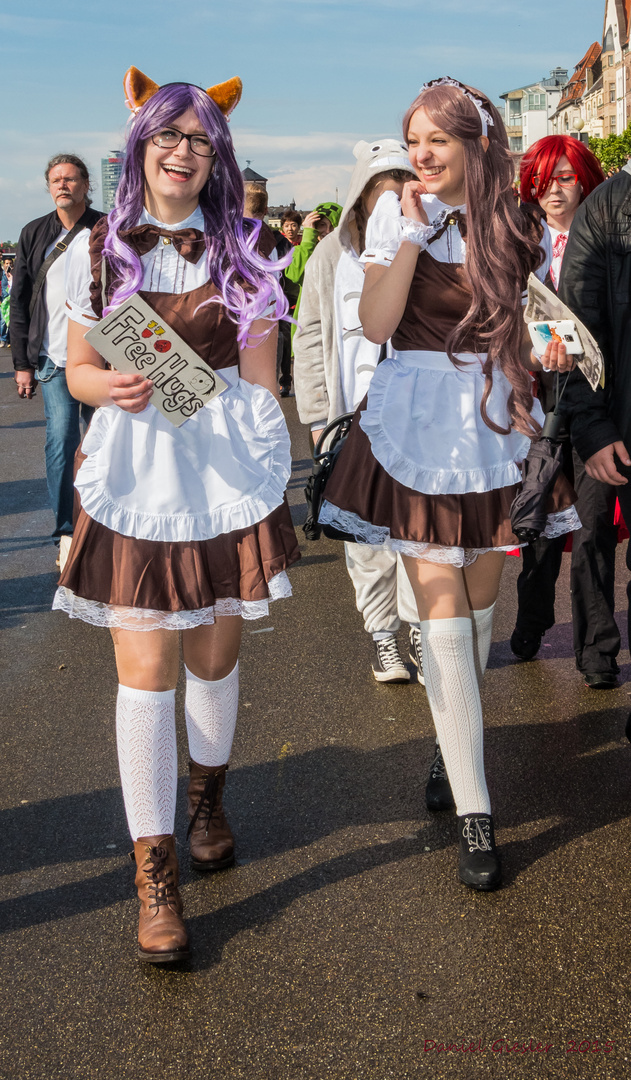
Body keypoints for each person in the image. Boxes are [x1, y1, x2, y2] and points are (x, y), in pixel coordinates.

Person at [53, 66, 300, 962]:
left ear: (217, 154)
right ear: (140, 141)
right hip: (136, 476)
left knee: (213, 654)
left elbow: (264, 384)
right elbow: (75, 368)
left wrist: (263, 470)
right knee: (143, 669)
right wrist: (102, 383)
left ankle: (207, 800)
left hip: (220, 470)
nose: (183, 152)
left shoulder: (248, 245)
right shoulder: (99, 249)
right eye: (169, 135)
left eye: (200, 139)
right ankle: (152, 875)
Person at [318, 78, 578, 891]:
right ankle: (477, 813)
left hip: (494, 421)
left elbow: (531, 323)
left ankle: (447, 737)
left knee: (474, 612)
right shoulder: (396, 214)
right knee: (438, 610)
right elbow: (377, 324)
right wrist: (409, 233)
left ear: (475, 145)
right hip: (416, 417)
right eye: (413, 140)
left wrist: (549, 348)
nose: (421, 155)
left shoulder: (516, 221)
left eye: (438, 140)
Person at [294, 139, 428, 685]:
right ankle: (383, 638)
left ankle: (421, 630)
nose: (392, 204)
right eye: (382, 194)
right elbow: (308, 337)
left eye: (401, 191)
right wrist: (318, 416)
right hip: (352, 417)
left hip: (416, 417)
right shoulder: (331, 256)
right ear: (361, 199)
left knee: (419, 533)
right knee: (365, 539)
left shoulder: (423, 247)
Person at [509, 137, 617, 688]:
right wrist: (530, 354)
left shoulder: (610, 244)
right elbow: (502, 330)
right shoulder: (519, 247)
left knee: (593, 528)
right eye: (545, 178)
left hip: (597, 410)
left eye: (566, 178)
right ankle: (530, 624)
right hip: (540, 411)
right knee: (542, 527)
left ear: (586, 181)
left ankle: (598, 652)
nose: (554, 189)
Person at [556, 149, 631, 721]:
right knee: (592, 536)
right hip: (617, 418)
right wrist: (593, 425)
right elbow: (580, 325)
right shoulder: (606, 208)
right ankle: (597, 649)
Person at [11, 155, 103, 562]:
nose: (62, 185)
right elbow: (19, 302)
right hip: (51, 359)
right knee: (60, 443)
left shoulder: (107, 228)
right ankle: (66, 533)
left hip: (103, 360)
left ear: (86, 184)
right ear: (49, 187)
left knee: (106, 445)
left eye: (70, 178)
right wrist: (22, 364)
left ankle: (105, 526)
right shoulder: (33, 233)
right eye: (55, 180)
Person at [282, 201, 342, 396]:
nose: (324, 231)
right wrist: (308, 237)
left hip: (340, 327)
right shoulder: (305, 248)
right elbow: (294, 275)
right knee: (315, 394)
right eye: (319, 226)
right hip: (312, 328)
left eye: (328, 225)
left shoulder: (349, 250)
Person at [275, 210, 302, 396]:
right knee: (284, 342)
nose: (290, 229)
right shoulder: (277, 244)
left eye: (293, 225)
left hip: (299, 298)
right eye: (287, 225)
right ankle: (285, 380)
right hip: (283, 300)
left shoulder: (305, 245)